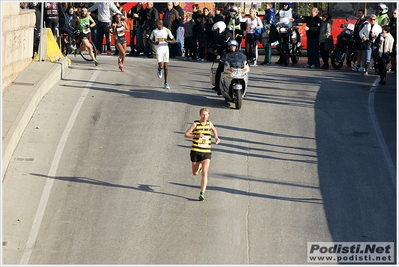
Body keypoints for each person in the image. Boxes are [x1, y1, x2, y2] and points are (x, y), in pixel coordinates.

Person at [184, 107, 220, 201]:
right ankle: (198, 167)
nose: (205, 117)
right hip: (196, 151)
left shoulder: (209, 124)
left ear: (208, 115)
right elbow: (186, 134)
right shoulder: (195, 124)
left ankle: (202, 193)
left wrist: (216, 137)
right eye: (203, 115)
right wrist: (196, 136)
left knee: (205, 172)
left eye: (206, 115)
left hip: (206, 151)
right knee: (195, 173)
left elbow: (214, 129)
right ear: (200, 115)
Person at [148, 19, 176, 89]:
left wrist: (168, 41)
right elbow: (149, 40)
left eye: (156, 23)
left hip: (166, 49)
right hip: (159, 50)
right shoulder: (154, 31)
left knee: (166, 66)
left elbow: (174, 41)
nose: (155, 24)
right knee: (161, 66)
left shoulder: (167, 30)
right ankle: (159, 69)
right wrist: (155, 43)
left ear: (160, 24)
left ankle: (166, 83)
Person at [211, 21, 233, 95]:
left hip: (230, 55)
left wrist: (217, 48)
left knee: (223, 69)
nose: (217, 31)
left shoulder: (227, 35)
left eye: (217, 29)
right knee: (220, 69)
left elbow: (223, 46)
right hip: (225, 54)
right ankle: (219, 86)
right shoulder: (223, 34)